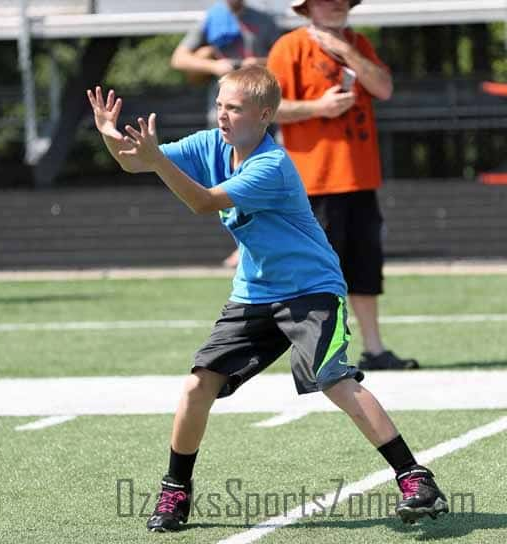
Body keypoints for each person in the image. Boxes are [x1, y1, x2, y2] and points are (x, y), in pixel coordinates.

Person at [87, 65, 448, 533]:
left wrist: (156, 160)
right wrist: (109, 134)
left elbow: (201, 202)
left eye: (233, 109)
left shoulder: (270, 165)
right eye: (219, 105)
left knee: (333, 380)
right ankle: (176, 490)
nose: (222, 116)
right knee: (198, 386)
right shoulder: (210, 144)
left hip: (312, 290)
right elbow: (133, 160)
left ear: (263, 116)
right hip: (254, 294)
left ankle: (415, 479)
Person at [266, 0, 419, 370]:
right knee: (320, 273)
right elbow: (268, 107)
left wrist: (347, 50)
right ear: (308, 8)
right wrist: (318, 108)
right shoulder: (289, 47)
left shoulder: (358, 43)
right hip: (316, 181)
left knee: (366, 268)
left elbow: (383, 88)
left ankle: (375, 350)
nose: (336, 4)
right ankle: (319, 352)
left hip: (361, 178)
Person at [171, 0, 282, 268]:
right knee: (231, 182)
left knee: (263, 179)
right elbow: (179, 59)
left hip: (258, 115)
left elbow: (284, 61)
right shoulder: (212, 19)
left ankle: (262, 243)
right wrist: (215, 66)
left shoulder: (264, 21)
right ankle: (243, 244)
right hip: (224, 117)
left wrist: (259, 64)